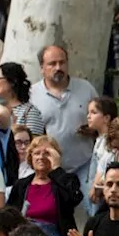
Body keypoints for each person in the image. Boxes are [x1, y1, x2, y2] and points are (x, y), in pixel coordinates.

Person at [30, 45, 98, 175]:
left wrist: (94, 129)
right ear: (42, 68)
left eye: (62, 62)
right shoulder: (31, 95)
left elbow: (105, 121)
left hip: (85, 167)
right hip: (47, 171)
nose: (58, 68)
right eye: (52, 64)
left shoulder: (86, 89)